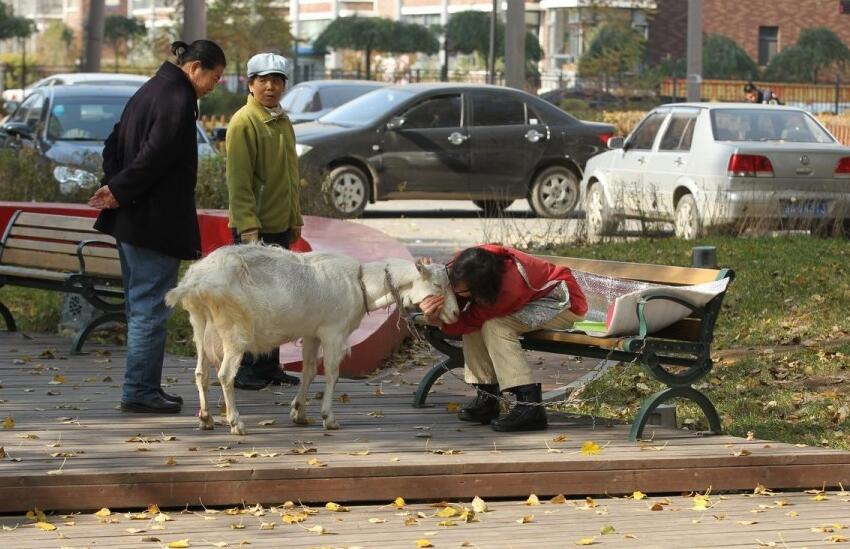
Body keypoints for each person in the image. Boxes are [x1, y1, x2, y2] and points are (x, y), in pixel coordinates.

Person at [88, 40, 226, 414]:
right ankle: (139, 392)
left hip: (132, 221)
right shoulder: (178, 99)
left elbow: (113, 142)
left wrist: (116, 186)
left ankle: (141, 387)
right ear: (195, 67)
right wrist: (118, 189)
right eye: (214, 77)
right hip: (156, 224)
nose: (215, 86)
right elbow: (156, 156)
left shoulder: (150, 89)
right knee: (151, 307)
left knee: (140, 306)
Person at [419, 245, 588, 432]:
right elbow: (456, 289)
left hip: (562, 303)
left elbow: (468, 320)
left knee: (496, 326)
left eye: (462, 292)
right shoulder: (466, 263)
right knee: (480, 324)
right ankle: (487, 396)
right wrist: (431, 276)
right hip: (529, 296)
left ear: (482, 288)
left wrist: (435, 320)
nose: (457, 294)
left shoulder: (507, 288)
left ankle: (530, 407)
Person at [226, 52, 303, 390]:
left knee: (276, 302)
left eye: (277, 80)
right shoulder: (245, 121)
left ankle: (269, 367)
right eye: (263, 80)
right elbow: (239, 182)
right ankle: (245, 370)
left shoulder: (281, 120)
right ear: (250, 83)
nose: (270, 86)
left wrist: (295, 219)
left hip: (279, 226)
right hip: (254, 228)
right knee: (251, 303)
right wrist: (247, 227)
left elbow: (289, 176)